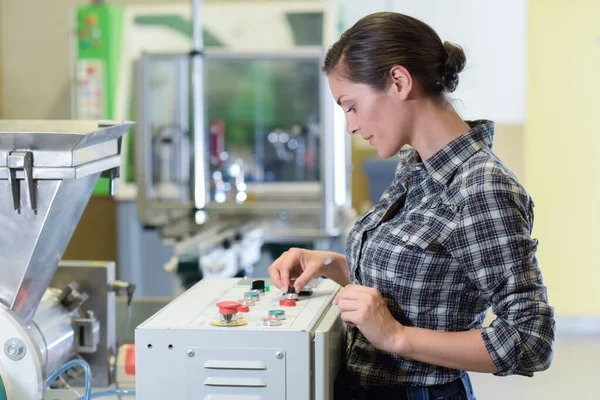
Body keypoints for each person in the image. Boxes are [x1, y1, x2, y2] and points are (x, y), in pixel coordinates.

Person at [268, 11, 555, 400]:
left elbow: (530, 339)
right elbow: (419, 286)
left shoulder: (479, 186)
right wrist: (331, 264)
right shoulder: (415, 168)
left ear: (399, 82)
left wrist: (396, 337)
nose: (350, 125)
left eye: (351, 106)